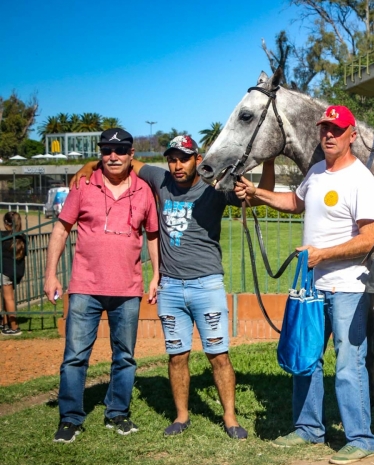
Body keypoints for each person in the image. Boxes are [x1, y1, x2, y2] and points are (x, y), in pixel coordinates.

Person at [71, 136, 263, 439]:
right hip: (171, 288)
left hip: (207, 285)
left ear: (197, 160)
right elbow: (123, 159)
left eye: (183, 159)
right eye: (172, 159)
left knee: (219, 356)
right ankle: (181, 416)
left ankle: (230, 418)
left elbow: (255, 196)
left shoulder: (214, 190)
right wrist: (87, 166)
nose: (177, 165)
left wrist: (269, 163)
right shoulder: (159, 179)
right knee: (177, 356)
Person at [234, 105, 374, 464]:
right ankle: (308, 429)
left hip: (348, 287)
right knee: (307, 355)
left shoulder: (362, 179)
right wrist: (257, 194)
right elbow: (295, 202)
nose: (328, 135)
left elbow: (371, 237)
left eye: (336, 129)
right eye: (324, 129)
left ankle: (361, 438)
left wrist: (323, 255)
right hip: (313, 286)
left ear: (352, 135)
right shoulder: (315, 172)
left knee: (349, 362)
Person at [45, 127, 160, 443]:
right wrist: (50, 274)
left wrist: (157, 275)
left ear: (131, 155)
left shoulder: (144, 191)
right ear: (100, 153)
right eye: (107, 150)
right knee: (75, 356)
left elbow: (152, 235)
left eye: (120, 150)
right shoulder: (83, 186)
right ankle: (70, 419)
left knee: (124, 356)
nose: (113, 156)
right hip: (85, 287)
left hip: (128, 290)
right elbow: (60, 230)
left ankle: (117, 414)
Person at [1, 212, 27, 335]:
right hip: (17, 272)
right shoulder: (22, 237)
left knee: (8, 298)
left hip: (5, 271)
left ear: (6, 224)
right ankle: (4, 323)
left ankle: (14, 327)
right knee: (7, 298)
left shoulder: (3, 236)